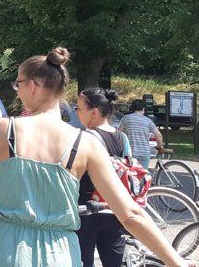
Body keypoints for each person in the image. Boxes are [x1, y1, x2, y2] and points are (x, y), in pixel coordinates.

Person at [0, 47, 190, 267]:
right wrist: (175, 261)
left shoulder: (2, 129)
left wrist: (11, 219)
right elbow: (130, 214)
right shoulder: (86, 143)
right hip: (59, 252)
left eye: (18, 84)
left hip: (5, 248)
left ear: (33, 86)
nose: (17, 90)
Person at [76, 87, 133, 267]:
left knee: (82, 261)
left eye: (79, 108)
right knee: (113, 261)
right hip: (114, 209)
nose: (76, 112)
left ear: (93, 112)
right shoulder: (122, 137)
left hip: (87, 209)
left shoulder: (86, 137)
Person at [119, 99, 166, 169]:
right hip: (144, 153)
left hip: (130, 153)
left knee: (130, 176)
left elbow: (119, 133)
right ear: (143, 109)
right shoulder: (148, 121)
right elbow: (158, 135)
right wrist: (160, 146)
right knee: (143, 176)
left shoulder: (126, 118)